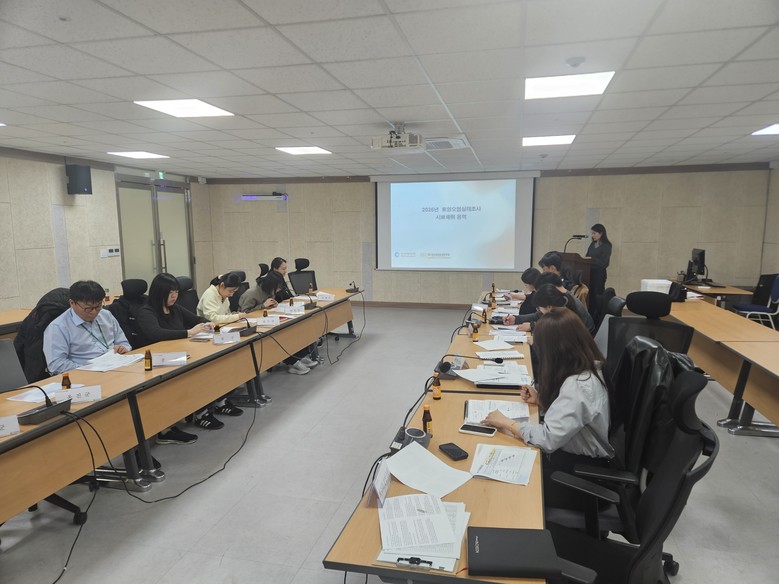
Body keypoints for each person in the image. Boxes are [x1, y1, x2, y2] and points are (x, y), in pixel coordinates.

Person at [481, 308, 614, 509]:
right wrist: (541, 400)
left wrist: (507, 423)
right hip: (576, 461)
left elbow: (548, 439)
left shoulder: (578, 385)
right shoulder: (588, 367)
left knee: (503, 492)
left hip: (581, 477)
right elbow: (576, 415)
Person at [136, 273, 214, 445]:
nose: (174, 296)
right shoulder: (146, 312)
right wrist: (188, 332)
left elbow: (196, 319)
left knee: (204, 370)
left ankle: (199, 411)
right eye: (170, 293)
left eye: (176, 292)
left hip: (179, 355)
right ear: (159, 293)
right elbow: (155, 333)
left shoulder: (175, 308)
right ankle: (165, 430)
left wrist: (206, 323)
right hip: (156, 362)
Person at [195, 271, 248, 428]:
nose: (232, 295)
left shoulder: (223, 295)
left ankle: (221, 401)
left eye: (234, 292)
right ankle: (207, 408)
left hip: (219, 334)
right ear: (222, 285)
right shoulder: (210, 294)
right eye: (230, 291)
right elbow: (213, 318)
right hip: (205, 337)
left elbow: (225, 315)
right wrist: (236, 317)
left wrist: (235, 316)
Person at [43, 280, 131, 375]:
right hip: (84, 374)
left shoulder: (106, 315)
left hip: (116, 366)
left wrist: (123, 348)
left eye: (98, 306)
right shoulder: (58, 327)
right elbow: (56, 364)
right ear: (72, 303)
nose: (94, 312)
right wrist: (88, 369)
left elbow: (123, 342)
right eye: (88, 308)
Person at [260, 271, 319, 375]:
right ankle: (293, 362)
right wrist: (263, 306)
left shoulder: (270, 289)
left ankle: (299, 357)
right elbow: (245, 311)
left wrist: (273, 305)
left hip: (272, 316)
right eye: (283, 268)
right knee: (284, 333)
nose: (285, 271)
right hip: (262, 323)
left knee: (296, 328)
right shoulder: (254, 293)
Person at [503, 274, 596, 335]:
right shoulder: (561, 298)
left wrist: (533, 326)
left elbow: (558, 330)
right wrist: (516, 319)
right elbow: (539, 315)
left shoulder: (565, 304)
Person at [585, 223, 612, 309]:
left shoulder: (607, 245)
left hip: (599, 275)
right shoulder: (592, 244)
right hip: (589, 274)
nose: (592, 235)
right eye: (592, 233)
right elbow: (587, 256)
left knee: (597, 296)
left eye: (594, 233)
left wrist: (592, 259)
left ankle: (597, 314)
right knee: (589, 296)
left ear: (601, 233)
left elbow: (604, 263)